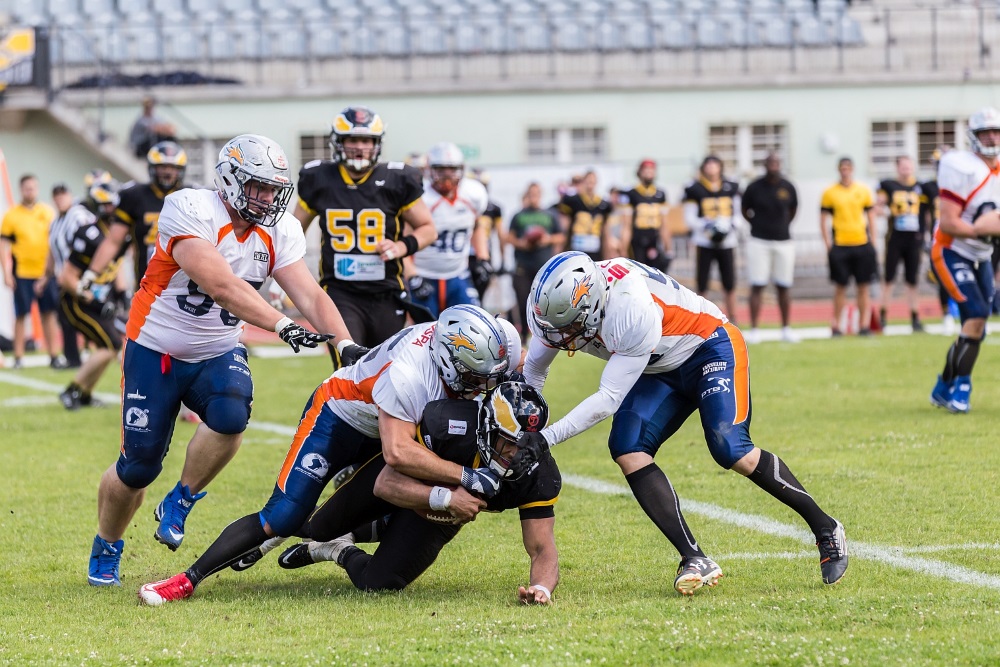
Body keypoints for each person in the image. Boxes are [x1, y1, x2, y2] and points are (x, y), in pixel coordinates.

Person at [87, 134, 359, 587]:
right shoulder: (189, 208)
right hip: (156, 348)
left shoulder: (280, 230)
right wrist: (281, 325)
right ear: (231, 179)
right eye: (258, 186)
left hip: (217, 348)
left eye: (273, 189)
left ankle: (182, 497)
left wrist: (345, 344)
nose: (268, 198)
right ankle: (107, 543)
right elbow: (221, 286)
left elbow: (310, 293)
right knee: (137, 468)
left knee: (231, 417)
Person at [134, 305, 519, 604]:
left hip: (387, 423)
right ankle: (187, 580)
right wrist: (466, 476)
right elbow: (398, 452)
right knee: (282, 516)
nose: (480, 387)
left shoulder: (461, 341)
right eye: (474, 378)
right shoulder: (410, 373)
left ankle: (323, 540)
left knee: (359, 515)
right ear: (448, 360)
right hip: (339, 417)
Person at [514, 252, 848, 595]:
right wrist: (525, 427)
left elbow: (609, 398)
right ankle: (694, 558)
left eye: (568, 327)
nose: (561, 337)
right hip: (659, 366)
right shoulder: (561, 305)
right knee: (627, 448)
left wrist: (546, 438)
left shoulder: (630, 307)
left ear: (593, 306)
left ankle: (825, 528)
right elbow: (535, 370)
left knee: (731, 448)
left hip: (709, 345)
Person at [272, 381, 558, 604]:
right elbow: (386, 483)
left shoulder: (538, 473)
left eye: (525, 445)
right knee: (319, 526)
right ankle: (268, 532)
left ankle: (337, 548)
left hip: (442, 514)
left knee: (379, 582)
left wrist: (541, 588)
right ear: (487, 428)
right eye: (508, 442)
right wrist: (450, 494)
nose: (516, 454)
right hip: (401, 479)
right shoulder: (449, 425)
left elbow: (542, 548)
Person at [294, 105, 438, 351]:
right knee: (349, 360)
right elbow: (293, 230)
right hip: (339, 292)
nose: (360, 147)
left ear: (377, 143)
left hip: (386, 291)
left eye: (366, 140)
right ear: (339, 142)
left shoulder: (397, 180)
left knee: (386, 365)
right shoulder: (320, 178)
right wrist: (284, 277)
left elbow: (428, 229)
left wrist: (400, 246)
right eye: (353, 139)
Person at [928, 108, 1000, 414]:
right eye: (986, 132)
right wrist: (983, 230)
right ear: (974, 136)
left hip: (982, 255)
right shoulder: (961, 167)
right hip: (951, 250)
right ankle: (962, 388)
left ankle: (943, 385)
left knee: (975, 327)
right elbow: (948, 222)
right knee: (977, 315)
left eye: (996, 132)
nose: (992, 138)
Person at [57, 180, 126, 410]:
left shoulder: (121, 234)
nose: (112, 209)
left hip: (100, 299)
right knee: (110, 344)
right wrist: (94, 301)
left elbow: (116, 265)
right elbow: (67, 278)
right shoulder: (89, 234)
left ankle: (85, 394)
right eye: (107, 205)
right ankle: (72, 391)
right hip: (77, 300)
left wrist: (122, 293)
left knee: (110, 346)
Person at [85, 141, 188, 294]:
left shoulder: (192, 196)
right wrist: (92, 272)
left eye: (172, 167)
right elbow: (114, 241)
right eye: (162, 167)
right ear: (152, 168)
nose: (167, 172)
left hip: (185, 285)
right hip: (147, 284)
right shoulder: (134, 195)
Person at [408, 142, 490, 318]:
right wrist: (412, 276)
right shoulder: (421, 197)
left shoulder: (473, 193)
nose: (447, 176)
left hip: (457, 275)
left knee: (471, 323)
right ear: (430, 170)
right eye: (441, 169)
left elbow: (476, 226)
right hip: (424, 275)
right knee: (427, 329)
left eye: (452, 169)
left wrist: (482, 258)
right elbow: (403, 239)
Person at [0, 174, 65, 369]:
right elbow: (4, 245)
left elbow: (55, 242)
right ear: (21, 190)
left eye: (33, 188)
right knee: (21, 314)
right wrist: (7, 273)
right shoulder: (12, 215)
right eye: (27, 188)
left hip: (45, 273)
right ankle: (18, 357)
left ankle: (53, 355)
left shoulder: (47, 212)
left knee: (49, 314)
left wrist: (53, 270)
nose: (30, 191)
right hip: (22, 272)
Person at [741, 153, 799, 343]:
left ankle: (786, 329)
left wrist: (781, 226)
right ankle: (754, 330)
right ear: (765, 164)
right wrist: (758, 225)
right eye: (770, 162)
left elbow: (793, 210)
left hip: (784, 241)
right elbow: (745, 210)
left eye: (776, 162)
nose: (774, 165)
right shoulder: (754, 187)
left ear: (780, 164)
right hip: (759, 241)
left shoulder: (788, 186)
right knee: (757, 284)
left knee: (784, 285)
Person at [820, 157, 877, 336]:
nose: (845, 171)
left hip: (861, 242)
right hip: (840, 244)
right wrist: (828, 244)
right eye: (842, 168)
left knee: (863, 286)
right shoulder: (830, 192)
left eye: (848, 168)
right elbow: (823, 219)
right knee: (840, 287)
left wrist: (873, 241)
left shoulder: (863, 190)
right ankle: (837, 325)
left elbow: (871, 216)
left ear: (852, 169)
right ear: (838, 170)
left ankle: (864, 325)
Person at [684, 156, 742, 324]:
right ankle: (702, 320)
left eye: (715, 164)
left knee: (729, 282)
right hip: (704, 241)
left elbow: (738, 215)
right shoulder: (694, 189)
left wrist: (728, 226)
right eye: (708, 165)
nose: (711, 168)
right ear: (703, 168)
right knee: (702, 282)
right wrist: (707, 225)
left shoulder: (731, 187)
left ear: (721, 167)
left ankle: (733, 318)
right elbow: (689, 218)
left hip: (727, 242)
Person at [504, 182, 565, 342]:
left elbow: (561, 236)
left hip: (543, 267)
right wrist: (521, 243)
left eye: (536, 194)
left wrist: (547, 239)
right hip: (523, 265)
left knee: (544, 301)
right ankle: (524, 335)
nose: (533, 197)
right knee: (523, 300)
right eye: (531, 194)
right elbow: (509, 237)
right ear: (527, 195)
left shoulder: (550, 214)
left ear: (540, 195)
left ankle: (545, 335)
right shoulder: (519, 215)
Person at [45, 183, 95, 369]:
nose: (60, 199)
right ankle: (73, 357)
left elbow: (90, 242)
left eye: (63, 195)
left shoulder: (78, 215)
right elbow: (52, 252)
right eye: (56, 196)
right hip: (63, 278)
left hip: (79, 275)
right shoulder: (55, 222)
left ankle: (99, 348)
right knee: (66, 316)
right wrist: (45, 277)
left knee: (88, 313)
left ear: (70, 196)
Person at [878, 156, 926, 332]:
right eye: (903, 166)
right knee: (889, 278)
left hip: (914, 239)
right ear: (897, 167)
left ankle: (915, 317)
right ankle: (883, 315)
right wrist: (886, 212)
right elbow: (877, 205)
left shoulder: (920, 187)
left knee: (912, 280)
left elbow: (927, 213)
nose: (906, 169)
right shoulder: (889, 185)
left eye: (909, 166)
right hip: (895, 238)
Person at [620, 159, 672, 275]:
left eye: (652, 169)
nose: (649, 172)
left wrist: (668, 248)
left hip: (654, 240)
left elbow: (664, 224)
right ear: (639, 172)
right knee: (638, 275)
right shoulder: (631, 193)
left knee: (656, 275)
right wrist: (623, 248)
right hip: (637, 241)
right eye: (646, 169)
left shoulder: (660, 194)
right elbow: (626, 225)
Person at [557, 170, 614, 262]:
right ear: (583, 182)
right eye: (588, 180)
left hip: (595, 247)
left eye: (592, 180)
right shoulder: (574, 200)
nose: (590, 183)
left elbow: (605, 230)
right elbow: (565, 226)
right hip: (576, 246)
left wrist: (608, 253)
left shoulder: (603, 204)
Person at [469, 169, 504, 300]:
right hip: (462, 256)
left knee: (480, 296)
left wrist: (503, 261)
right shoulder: (462, 205)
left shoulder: (493, 208)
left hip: (483, 255)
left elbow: (500, 235)